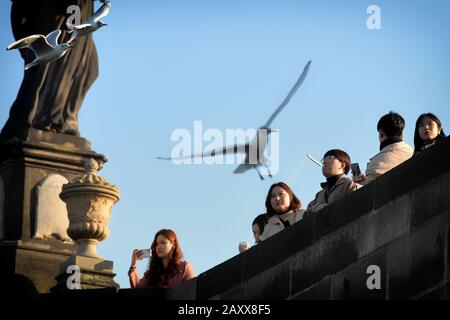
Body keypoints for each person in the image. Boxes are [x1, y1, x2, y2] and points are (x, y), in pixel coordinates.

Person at [354, 111, 414, 185]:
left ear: (381, 133)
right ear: (402, 135)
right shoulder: (413, 152)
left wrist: (361, 184)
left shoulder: (375, 164)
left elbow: (371, 192)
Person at [128, 229, 195, 288]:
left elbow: (192, 291)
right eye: (156, 244)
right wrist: (133, 263)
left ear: (173, 245)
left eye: (163, 243)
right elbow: (137, 290)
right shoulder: (152, 272)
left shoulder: (184, 267)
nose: (159, 247)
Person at [305, 149, 359, 215]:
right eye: (324, 159)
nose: (325, 161)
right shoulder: (319, 194)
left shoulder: (349, 184)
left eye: (331, 158)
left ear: (342, 165)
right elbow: (306, 214)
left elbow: (357, 203)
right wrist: (318, 207)